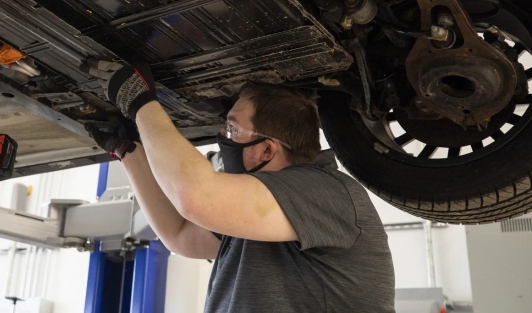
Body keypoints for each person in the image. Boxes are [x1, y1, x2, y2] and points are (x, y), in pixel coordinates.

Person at [83, 60, 396, 312]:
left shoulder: (325, 192)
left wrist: (140, 101)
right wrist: (128, 151)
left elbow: (195, 197)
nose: (223, 137)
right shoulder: (263, 215)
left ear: (267, 150)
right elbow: (179, 234)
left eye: (231, 129)